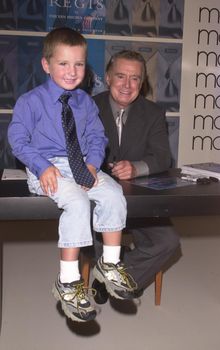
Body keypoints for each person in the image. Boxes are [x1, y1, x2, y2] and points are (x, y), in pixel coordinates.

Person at [7, 28, 137, 323]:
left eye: (78, 64)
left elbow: (97, 137)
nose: (72, 71)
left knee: (113, 194)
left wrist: (92, 164)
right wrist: (42, 166)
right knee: (78, 202)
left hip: (80, 163)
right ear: (46, 64)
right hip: (47, 167)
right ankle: (68, 281)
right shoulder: (31, 101)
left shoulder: (85, 102)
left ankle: (111, 263)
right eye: (63, 63)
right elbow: (17, 139)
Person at [92, 50, 180, 302]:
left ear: (142, 83)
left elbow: (163, 157)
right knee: (87, 231)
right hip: (98, 198)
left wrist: (136, 167)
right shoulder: (87, 108)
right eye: (120, 76)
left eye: (134, 79)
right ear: (108, 77)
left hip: (138, 200)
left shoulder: (153, 113)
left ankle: (115, 274)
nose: (127, 85)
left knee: (168, 241)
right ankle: (112, 267)